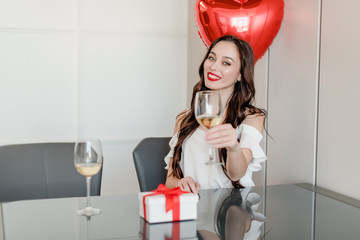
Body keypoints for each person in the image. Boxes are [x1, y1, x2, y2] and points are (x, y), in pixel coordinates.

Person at [165, 35, 267, 194]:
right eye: (211, 58)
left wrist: (233, 148)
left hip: (232, 211)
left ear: (241, 74)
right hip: (193, 208)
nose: (213, 66)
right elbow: (170, 180)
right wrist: (181, 183)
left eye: (226, 63)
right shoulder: (184, 118)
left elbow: (236, 174)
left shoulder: (252, 117)